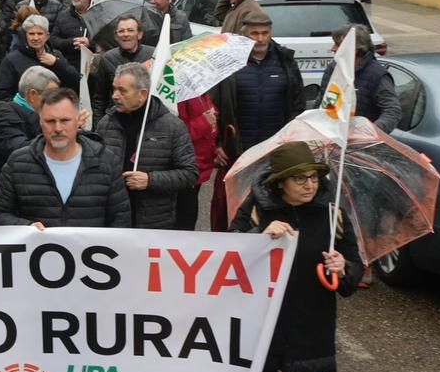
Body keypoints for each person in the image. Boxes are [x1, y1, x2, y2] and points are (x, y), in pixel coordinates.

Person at [0, 86, 128, 372]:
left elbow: (121, 224)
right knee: (25, 362)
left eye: (65, 120)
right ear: (40, 122)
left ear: (79, 119)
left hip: (86, 288)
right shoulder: (19, 162)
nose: (58, 128)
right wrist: (24, 227)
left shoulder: (105, 162)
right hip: (31, 288)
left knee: (76, 362)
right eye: (50, 121)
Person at [230, 142, 360, 372]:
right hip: (263, 318)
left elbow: (355, 268)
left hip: (309, 320)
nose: (309, 185)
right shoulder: (258, 208)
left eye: (314, 177)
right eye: (300, 179)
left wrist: (343, 268)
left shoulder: (331, 213)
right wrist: (260, 237)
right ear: (281, 184)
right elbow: (228, 251)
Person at [210, 13, 303, 230]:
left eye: (265, 33)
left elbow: (297, 106)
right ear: (245, 35)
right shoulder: (229, 63)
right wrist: (216, 145)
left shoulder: (285, 62)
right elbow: (213, 109)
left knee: (272, 204)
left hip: (274, 152)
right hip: (238, 152)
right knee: (235, 207)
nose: (260, 39)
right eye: (255, 33)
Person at [95, 63, 198, 229]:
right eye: (114, 89)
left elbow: (189, 173)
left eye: (123, 91)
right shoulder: (106, 124)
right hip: (114, 222)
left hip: (154, 223)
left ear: (142, 94)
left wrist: (150, 180)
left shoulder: (172, 126)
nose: (115, 96)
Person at [0, 65, 59, 191]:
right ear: (32, 95)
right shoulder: (3, 117)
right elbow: (21, 151)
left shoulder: (41, 116)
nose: (57, 101)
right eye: (52, 95)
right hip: (12, 197)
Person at [318, 25, 400, 133]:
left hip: (361, 144)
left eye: (338, 44)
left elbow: (392, 111)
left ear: (354, 49)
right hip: (331, 137)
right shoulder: (333, 69)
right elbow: (322, 101)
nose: (333, 48)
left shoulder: (377, 75)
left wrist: (370, 131)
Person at [0, 14, 77, 104]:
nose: (36, 38)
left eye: (40, 34)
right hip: (23, 114)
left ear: (47, 36)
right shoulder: (11, 60)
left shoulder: (56, 55)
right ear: (26, 35)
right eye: (32, 34)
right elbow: (1, 95)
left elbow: (75, 81)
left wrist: (57, 64)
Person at [89, 15, 154, 120]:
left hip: (147, 119)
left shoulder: (153, 55)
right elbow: (100, 98)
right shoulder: (107, 58)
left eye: (130, 30)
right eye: (121, 31)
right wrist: (98, 127)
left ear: (139, 34)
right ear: (116, 36)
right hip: (117, 119)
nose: (126, 34)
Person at [174, 92, 218, 230]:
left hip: (201, 162)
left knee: (190, 211)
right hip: (187, 164)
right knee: (185, 214)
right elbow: (177, 131)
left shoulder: (202, 92)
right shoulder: (181, 94)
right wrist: (205, 122)